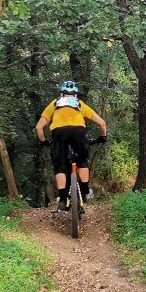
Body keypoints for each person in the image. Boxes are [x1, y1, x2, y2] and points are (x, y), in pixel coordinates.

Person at [35, 81, 107, 211]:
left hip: (58, 134)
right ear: (75, 95)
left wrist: (44, 141)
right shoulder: (79, 104)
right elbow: (102, 123)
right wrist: (103, 137)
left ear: (61, 94)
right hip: (78, 132)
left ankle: (62, 200)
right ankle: (84, 192)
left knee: (60, 167)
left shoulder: (54, 103)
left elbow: (38, 127)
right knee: (82, 162)